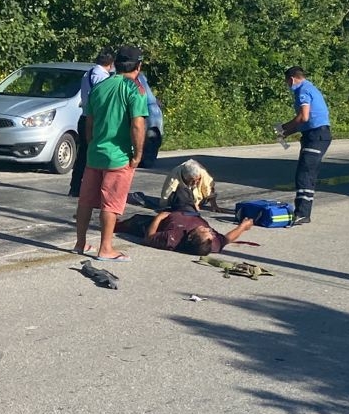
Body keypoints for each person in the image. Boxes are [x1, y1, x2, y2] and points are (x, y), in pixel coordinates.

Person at [74, 45, 148, 261]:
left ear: (115, 64)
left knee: (86, 200)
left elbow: (89, 120)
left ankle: (80, 243)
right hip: (118, 156)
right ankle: (106, 248)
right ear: (138, 66)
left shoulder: (100, 87)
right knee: (111, 203)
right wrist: (137, 154)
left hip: (95, 152)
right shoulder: (135, 89)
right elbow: (137, 125)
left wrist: (91, 144)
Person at [279, 66, 331, 225]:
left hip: (316, 136)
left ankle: (302, 213)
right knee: (307, 173)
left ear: (292, 79)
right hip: (316, 134)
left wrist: (283, 127)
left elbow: (304, 116)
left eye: (288, 82)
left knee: (304, 174)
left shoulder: (302, 90)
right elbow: (306, 120)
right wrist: (287, 133)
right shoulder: (310, 87)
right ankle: (303, 211)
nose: (288, 86)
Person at [68, 49, 115, 197]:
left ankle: (75, 186)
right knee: (97, 155)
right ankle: (93, 189)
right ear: (110, 63)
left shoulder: (87, 74)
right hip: (95, 120)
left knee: (82, 154)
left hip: (84, 117)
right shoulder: (102, 77)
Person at [119, 210, 257, 256]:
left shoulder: (171, 239)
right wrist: (243, 227)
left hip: (167, 216)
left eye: (204, 231)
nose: (209, 230)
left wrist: (159, 217)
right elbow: (227, 239)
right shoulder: (212, 244)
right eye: (209, 232)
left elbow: (148, 238)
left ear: (190, 236)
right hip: (190, 212)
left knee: (132, 222)